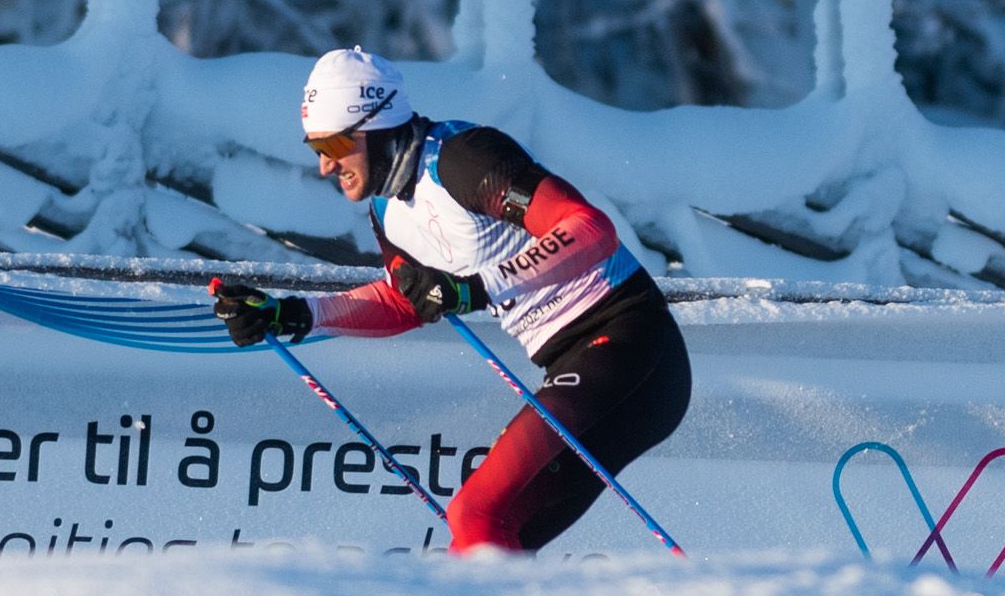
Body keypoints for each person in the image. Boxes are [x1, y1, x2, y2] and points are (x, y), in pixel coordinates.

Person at [209, 47, 689, 553]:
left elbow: (590, 229)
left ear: (376, 124)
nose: (326, 165)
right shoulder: (385, 208)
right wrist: (292, 315)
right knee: (497, 538)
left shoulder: (463, 157)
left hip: (630, 345)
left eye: (334, 142)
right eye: (315, 146)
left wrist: (476, 288)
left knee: (476, 512)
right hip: (577, 362)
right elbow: (405, 302)